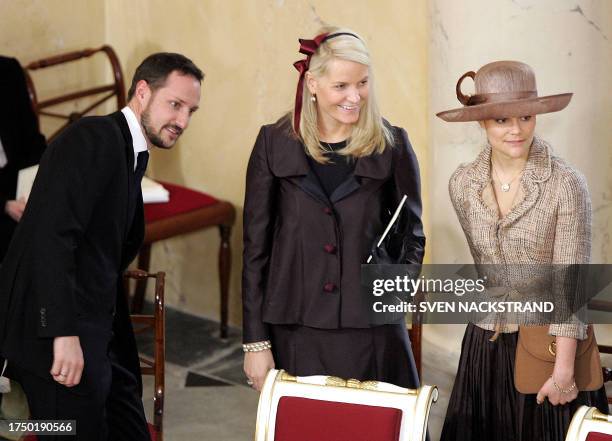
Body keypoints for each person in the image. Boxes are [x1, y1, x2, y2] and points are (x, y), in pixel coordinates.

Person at [0, 52, 203, 440]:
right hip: (57, 342)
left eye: (191, 110)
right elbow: (52, 238)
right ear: (142, 92)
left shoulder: (129, 151)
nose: (182, 121)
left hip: (101, 333)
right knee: (60, 430)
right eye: (174, 105)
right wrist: (62, 335)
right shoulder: (92, 138)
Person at [242, 26, 425, 392]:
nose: (354, 97)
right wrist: (256, 343)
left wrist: (391, 297)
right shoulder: (272, 143)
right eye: (341, 86)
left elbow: (412, 236)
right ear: (312, 84)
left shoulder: (393, 146)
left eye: (362, 83)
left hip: (371, 332)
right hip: (295, 330)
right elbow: (255, 252)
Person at [436, 61, 608, 440]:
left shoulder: (565, 184)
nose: (516, 130)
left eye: (526, 117)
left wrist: (563, 371)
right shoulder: (462, 184)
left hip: (548, 345)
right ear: (481, 122)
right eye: (501, 120)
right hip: (484, 344)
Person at [0, 56, 46, 261]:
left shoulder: (8, 70)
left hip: (16, 182)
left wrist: (41, 186)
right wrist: (5, 205)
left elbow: (33, 142)